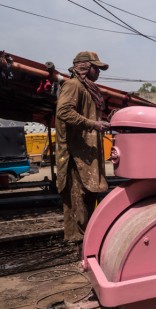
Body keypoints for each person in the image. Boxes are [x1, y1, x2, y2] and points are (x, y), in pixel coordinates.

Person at [55, 51, 111, 249]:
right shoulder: (73, 85)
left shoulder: (88, 88)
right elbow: (63, 112)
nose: (99, 71)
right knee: (76, 196)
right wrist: (93, 124)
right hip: (74, 155)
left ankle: (88, 238)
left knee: (89, 194)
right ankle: (78, 241)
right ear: (85, 67)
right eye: (96, 67)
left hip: (86, 154)